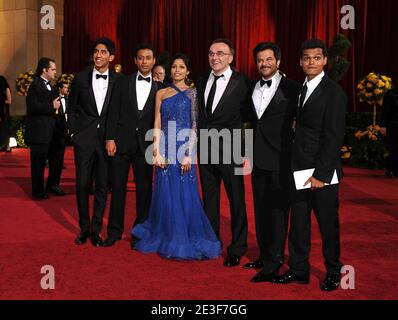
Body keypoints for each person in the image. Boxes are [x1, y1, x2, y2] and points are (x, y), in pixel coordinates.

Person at [131, 54, 221, 260]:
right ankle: (166, 233)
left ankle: (183, 235)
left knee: (184, 193)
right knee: (164, 192)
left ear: (188, 71)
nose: (177, 70)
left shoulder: (193, 93)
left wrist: (189, 154)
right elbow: (157, 121)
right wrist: (156, 150)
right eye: (174, 67)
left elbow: (195, 124)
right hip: (164, 145)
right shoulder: (161, 92)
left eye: (181, 67)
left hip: (183, 146)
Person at [273, 39, 346, 291]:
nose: (310, 62)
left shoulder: (334, 93)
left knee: (327, 225)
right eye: (306, 58)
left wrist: (321, 175)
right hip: (298, 169)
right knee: (299, 224)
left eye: (316, 57)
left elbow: (334, 137)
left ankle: (334, 271)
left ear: (325, 60)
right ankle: (298, 269)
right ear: (300, 61)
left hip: (321, 173)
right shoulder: (299, 89)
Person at [246, 42, 300, 282]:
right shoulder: (252, 87)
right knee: (260, 210)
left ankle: (274, 262)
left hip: (281, 159)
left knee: (278, 212)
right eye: (260, 60)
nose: (263, 64)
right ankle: (265, 254)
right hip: (257, 159)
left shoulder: (293, 89)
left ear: (278, 61)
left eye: (268, 59)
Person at [197, 38, 251, 267]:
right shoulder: (201, 80)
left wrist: (246, 152)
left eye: (220, 53)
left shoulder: (243, 83)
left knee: (236, 200)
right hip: (206, 148)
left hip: (232, 149)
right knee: (209, 200)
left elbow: (249, 119)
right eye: (211, 53)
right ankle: (211, 242)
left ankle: (237, 247)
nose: (214, 57)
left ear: (231, 57)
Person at [103, 43, 159, 247]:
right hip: (121, 144)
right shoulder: (121, 82)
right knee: (117, 188)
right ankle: (114, 231)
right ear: (135, 61)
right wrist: (110, 138)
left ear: (154, 61)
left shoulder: (160, 88)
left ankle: (140, 231)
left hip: (146, 146)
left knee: (144, 190)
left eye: (148, 58)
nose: (144, 61)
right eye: (140, 58)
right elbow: (113, 112)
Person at [68, 38, 121, 246]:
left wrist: (114, 137)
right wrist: (74, 133)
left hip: (107, 142)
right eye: (96, 51)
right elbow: (71, 109)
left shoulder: (119, 81)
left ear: (111, 57)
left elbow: (119, 114)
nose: (98, 55)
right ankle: (84, 227)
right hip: (84, 140)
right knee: (82, 185)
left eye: (103, 52)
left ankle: (96, 229)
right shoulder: (80, 78)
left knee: (101, 186)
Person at [25, 58, 61, 200]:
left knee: (53, 161)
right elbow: (32, 107)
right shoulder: (35, 85)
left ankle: (50, 186)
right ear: (44, 70)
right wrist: (51, 107)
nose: (55, 72)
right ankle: (38, 191)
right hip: (38, 133)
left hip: (50, 132)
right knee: (38, 164)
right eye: (52, 69)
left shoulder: (51, 86)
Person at [44, 81, 69, 196]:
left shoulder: (67, 99)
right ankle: (51, 185)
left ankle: (54, 184)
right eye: (65, 87)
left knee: (59, 161)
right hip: (54, 134)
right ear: (59, 88)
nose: (67, 89)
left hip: (63, 134)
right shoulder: (52, 98)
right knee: (55, 161)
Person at [380, 84, 398, 177]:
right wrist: (383, 125)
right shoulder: (391, 94)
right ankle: (391, 168)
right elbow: (385, 111)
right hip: (394, 125)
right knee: (394, 148)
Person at [0, 75, 12, 152]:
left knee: (5, 127)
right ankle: (1, 145)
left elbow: (9, 101)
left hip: (4, 110)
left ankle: (7, 145)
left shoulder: (6, 89)